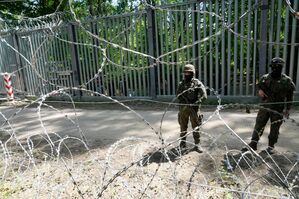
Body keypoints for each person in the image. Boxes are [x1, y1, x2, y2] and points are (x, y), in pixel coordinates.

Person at [242, 57, 296, 154]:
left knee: (275, 129)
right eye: (274, 67)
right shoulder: (265, 78)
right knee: (259, 125)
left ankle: (271, 146)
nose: (275, 69)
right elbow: (258, 86)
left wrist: (287, 109)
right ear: (271, 67)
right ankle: (253, 144)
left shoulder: (287, 81)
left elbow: (289, 97)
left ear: (281, 67)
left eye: (278, 67)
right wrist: (260, 91)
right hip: (264, 107)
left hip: (278, 109)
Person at [176, 64, 207, 152]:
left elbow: (204, 96)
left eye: (189, 72)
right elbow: (178, 95)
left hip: (194, 109)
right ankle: (182, 144)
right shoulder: (181, 84)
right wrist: (185, 102)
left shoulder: (197, 83)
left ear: (193, 73)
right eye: (185, 72)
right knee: (183, 127)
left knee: (196, 127)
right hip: (183, 109)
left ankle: (197, 144)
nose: (187, 74)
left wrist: (195, 103)